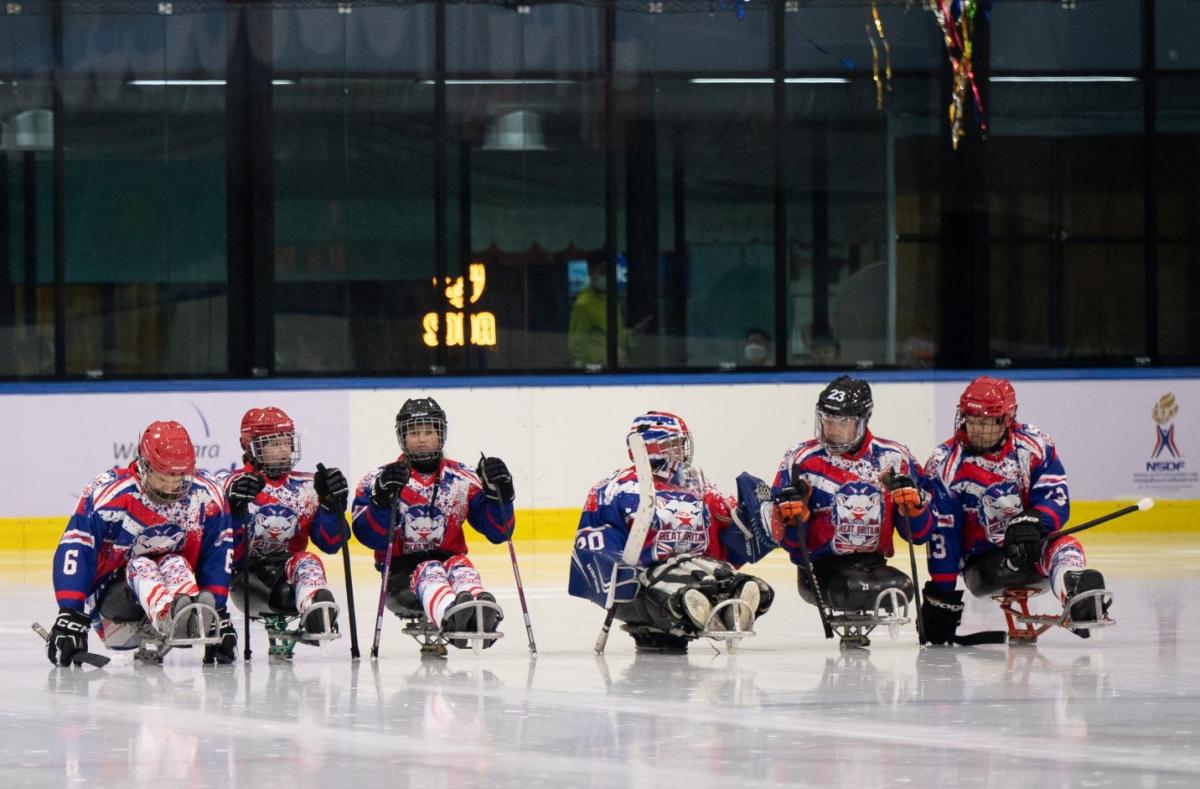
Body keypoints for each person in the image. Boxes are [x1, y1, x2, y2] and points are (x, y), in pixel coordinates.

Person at [569, 411, 776, 652]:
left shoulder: (698, 484)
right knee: (678, 596)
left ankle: (728, 603)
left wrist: (760, 521)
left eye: (681, 443)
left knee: (754, 588)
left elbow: (731, 525)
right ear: (651, 446)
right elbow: (591, 540)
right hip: (645, 581)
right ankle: (691, 606)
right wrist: (614, 567)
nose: (681, 450)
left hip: (700, 566)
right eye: (674, 444)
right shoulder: (615, 489)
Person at [921, 376, 1109, 642]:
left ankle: (1077, 593)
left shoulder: (1034, 445)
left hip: (1029, 548)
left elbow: (1056, 499)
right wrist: (941, 597)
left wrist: (1036, 520)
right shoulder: (945, 464)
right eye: (970, 419)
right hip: (982, 564)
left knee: (1067, 545)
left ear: (1007, 420)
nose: (975, 428)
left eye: (985, 422)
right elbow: (943, 535)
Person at [47, 421, 232, 666]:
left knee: (174, 561)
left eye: (179, 476)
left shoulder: (206, 495)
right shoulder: (109, 494)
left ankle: (193, 617)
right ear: (144, 465)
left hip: (175, 589)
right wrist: (70, 614)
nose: (171, 486)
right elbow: (77, 549)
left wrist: (218, 612)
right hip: (115, 613)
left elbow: (218, 553)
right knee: (141, 564)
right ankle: (169, 617)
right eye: (162, 475)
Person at [771, 376, 932, 642]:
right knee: (854, 589)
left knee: (902, 588)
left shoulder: (894, 458)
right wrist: (798, 518)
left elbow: (921, 533)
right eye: (828, 421)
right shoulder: (801, 460)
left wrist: (911, 508)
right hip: (821, 567)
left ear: (863, 420)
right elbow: (788, 541)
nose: (832, 431)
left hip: (873, 562)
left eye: (842, 423)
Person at [351, 397, 515, 649]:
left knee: (461, 565)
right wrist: (382, 499)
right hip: (399, 578)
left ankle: (476, 604)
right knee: (430, 570)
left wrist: (500, 495)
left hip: (448, 564)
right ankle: (452, 617)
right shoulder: (378, 480)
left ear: (441, 434)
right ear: (402, 437)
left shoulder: (463, 478)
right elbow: (368, 537)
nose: (422, 439)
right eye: (414, 433)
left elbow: (498, 532)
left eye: (429, 431)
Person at [214, 406, 349, 663]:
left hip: (287, 568)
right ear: (250, 446)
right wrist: (232, 507)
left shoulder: (307, 487)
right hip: (245, 574)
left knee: (308, 559)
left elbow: (331, 544)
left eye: (286, 442)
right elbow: (212, 540)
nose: (283, 450)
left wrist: (333, 505)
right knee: (283, 588)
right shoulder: (227, 483)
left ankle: (315, 610)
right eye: (273, 443)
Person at [568, 259, 630, 368]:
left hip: (615, 369)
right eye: (602, 272)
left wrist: (632, 335)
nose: (606, 276)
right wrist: (605, 361)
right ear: (590, 272)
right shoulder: (583, 304)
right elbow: (576, 346)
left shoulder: (611, 301)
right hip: (596, 373)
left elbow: (614, 337)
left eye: (609, 272)